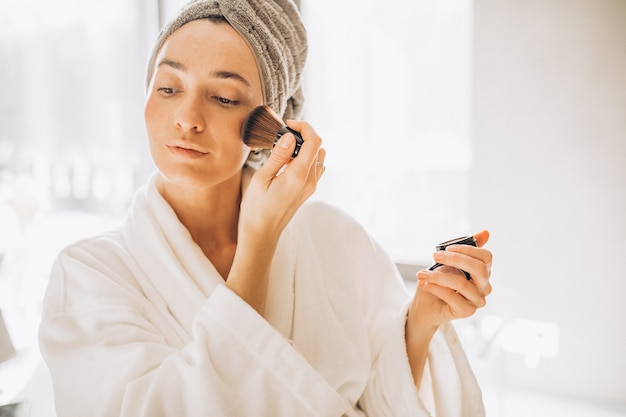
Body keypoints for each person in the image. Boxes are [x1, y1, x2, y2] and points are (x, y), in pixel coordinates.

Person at [39, 0, 493, 416]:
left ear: (270, 123)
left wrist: (422, 319)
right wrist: (258, 240)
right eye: (168, 87)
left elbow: (381, 400)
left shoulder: (338, 238)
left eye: (224, 98)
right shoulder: (88, 274)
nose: (187, 118)